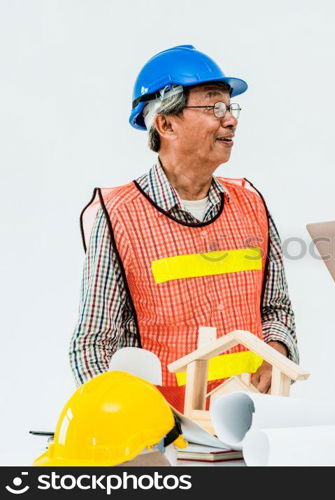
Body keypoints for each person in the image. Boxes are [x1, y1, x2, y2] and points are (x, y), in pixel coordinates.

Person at [69, 45, 298, 411]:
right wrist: (123, 420)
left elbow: (275, 308)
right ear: (166, 123)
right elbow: (93, 344)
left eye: (230, 107)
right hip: (167, 435)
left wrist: (278, 349)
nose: (230, 120)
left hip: (251, 422)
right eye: (213, 107)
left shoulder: (251, 206)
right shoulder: (120, 217)